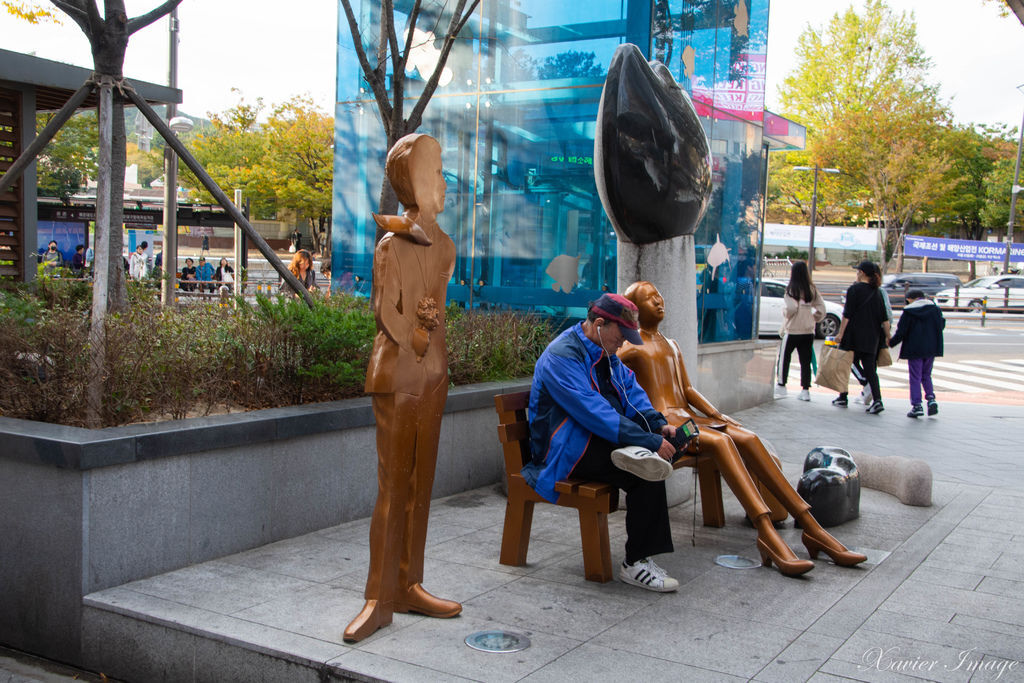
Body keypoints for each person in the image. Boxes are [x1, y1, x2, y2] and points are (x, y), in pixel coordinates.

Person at [619, 280, 867, 577]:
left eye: (659, 295)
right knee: (723, 443)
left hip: (690, 416)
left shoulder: (671, 344)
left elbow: (687, 388)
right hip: (666, 425)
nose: (659, 301)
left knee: (747, 437)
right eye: (648, 298)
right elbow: (611, 380)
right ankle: (765, 530)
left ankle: (811, 525)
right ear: (633, 308)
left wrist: (717, 413)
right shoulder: (629, 346)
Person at [344, 133, 458, 642]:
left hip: (434, 378)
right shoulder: (390, 243)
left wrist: (432, 344)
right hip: (397, 375)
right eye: (434, 172)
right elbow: (384, 310)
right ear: (411, 182)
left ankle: (410, 583)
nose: (442, 181)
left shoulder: (446, 247)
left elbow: (438, 306)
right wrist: (413, 333)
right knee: (394, 489)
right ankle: (379, 596)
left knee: (422, 486)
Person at [525, 292, 683, 592]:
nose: (624, 342)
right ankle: (636, 563)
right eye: (621, 334)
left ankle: (640, 557)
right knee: (646, 470)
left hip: (593, 439)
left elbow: (632, 393)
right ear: (599, 323)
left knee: (653, 460)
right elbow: (594, 413)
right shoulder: (561, 356)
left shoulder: (605, 352)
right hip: (564, 450)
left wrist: (657, 425)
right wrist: (646, 441)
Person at [834, 261, 890, 414]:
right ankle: (877, 400)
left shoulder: (854, 290)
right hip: (872, 337)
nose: (857, 273)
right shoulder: (877, 292)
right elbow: (884, 318)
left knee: (846, 363)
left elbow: (847, 314)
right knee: (871, 368)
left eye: (858, 271)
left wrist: (840, 333)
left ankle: (843, 396)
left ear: (863, 273)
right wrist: (888, 336)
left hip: (853, 335)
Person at [888, 288, 945, 418]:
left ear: (909, 299)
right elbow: (941, 325)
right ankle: (931, 399)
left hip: (914, 348)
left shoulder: (909, 311)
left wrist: (891, 343)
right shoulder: (935, 309)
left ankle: (917, 405)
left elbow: (901, 332)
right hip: (931, 348)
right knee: (926, 375)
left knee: (915, 377)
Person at [777, 261, 826, 402]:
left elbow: (791, 309)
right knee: (805, 361)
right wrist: (812, 318)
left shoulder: (791, 289)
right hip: (808, 331)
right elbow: (822, 309)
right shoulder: (812, 289)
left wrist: (786, 313)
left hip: (792, 330)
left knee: (784, 358)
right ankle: (805, 390)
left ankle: (781, 385)